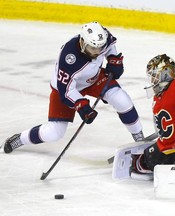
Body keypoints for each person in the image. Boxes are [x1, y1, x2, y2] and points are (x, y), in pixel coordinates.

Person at [1, 21, 144, 153]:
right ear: (82, 42)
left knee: (122, 99)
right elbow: (67, 91)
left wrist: (114, 59)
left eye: (99, 48)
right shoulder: (69, 58)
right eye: (93, 48)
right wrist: (81, 105)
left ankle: (140, 139)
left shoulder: (101, 38)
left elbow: (109, 46)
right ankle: (21, 138)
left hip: (93, 79)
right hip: (66, 89)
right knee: (54, 133)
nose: (97, 52)